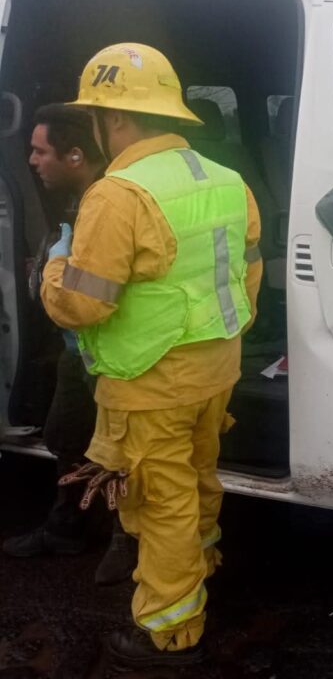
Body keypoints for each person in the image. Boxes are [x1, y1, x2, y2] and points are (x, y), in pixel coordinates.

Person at [41, 43, 262, 668]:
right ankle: (200, 566)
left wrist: (53, 267)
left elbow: (83, 304)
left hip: (150, 381)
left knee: (161, 503)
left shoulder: (118, 195)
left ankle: (170, 631)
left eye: (93, 116)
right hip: (215, 367)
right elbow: (247, 273)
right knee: (198, 477)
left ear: (112, 118)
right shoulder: (225, 179)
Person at [3, 104, 136, 585]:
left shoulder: (111, 204)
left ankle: (126, 541)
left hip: (112, 355)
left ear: (75, 155)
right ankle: (68, 527)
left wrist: (51, 274)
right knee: (65, 437)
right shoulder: (80, 199)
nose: (32, 161)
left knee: (120, 454)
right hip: (79, 349)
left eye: (40, 151)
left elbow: (93, 295)